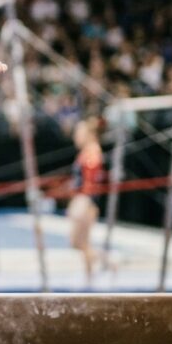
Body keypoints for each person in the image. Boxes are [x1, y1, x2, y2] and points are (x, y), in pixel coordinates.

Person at [67, 118, 106, 283]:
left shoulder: (92, 152)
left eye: (79, 133)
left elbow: (92, 181)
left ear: (89, 135)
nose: (76, 137)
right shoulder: (86, 152)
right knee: (81, 243)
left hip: (87, 201)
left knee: (79, 241)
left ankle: (103, 264)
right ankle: (90, 275)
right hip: (83, 199)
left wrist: (85, 202)